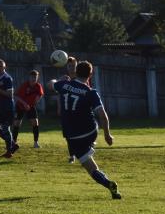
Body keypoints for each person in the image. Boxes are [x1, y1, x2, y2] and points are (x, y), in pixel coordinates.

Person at [51, 60, 121, 199]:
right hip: (90, 131)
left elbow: (49, 84)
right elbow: (103, 116)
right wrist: (108, 135)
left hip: (73, 135)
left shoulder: (64, 85)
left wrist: (58, 80)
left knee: (90, 167)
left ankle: (107, 182)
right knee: (88, 153)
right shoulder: (91, 92)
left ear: (75, 72)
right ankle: (91, 148)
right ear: (90, 75)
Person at [0, 59, 19, 157]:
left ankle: (9, 152)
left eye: (0, 66)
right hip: (0, 106)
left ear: (4, 67)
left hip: (8, 107)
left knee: (6, 129)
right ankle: (13, 145)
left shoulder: (7, 78)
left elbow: (10, 95)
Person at [14, 69, 45, 148]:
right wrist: (24, 104)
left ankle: (36, 143)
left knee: (35, 122)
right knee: (17, 123)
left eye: (35, 77)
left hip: (30, 106)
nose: (33, 79)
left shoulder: (38, 86)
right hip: (20, 106)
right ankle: (13, 142)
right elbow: (16, 96)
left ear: (37, 78)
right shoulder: (24, 85)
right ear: (29, 77)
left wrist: (37, 99)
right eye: (32, 77)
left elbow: (40, 94)